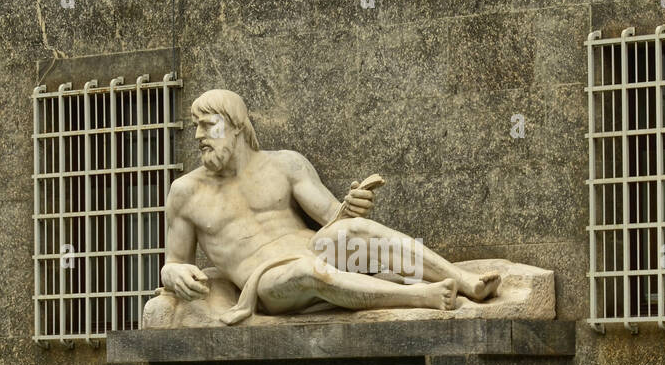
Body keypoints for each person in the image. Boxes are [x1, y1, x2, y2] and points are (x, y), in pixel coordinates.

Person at [161, 89, 502, 325]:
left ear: (235, 125)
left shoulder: (285, 164)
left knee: (351, 231)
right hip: (267, 281)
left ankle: (466, 282)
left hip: (312, 248)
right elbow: (173, 263)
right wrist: (173, 273)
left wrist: (351, 205)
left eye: (207, 125)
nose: (197, 136)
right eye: (195, 126)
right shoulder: (186, 192)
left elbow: (333, 218)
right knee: (309, 272)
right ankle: (424, 297)